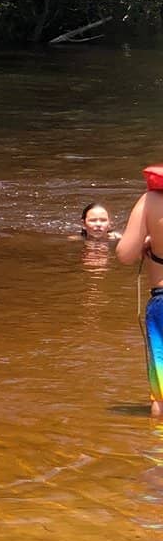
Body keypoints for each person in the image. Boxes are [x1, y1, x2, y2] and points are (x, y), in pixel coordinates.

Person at [116, 167, 163, 417]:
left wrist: (150, 241)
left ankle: (158, 453)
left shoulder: (151, 199)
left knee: (162, 397)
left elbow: (125, 255)